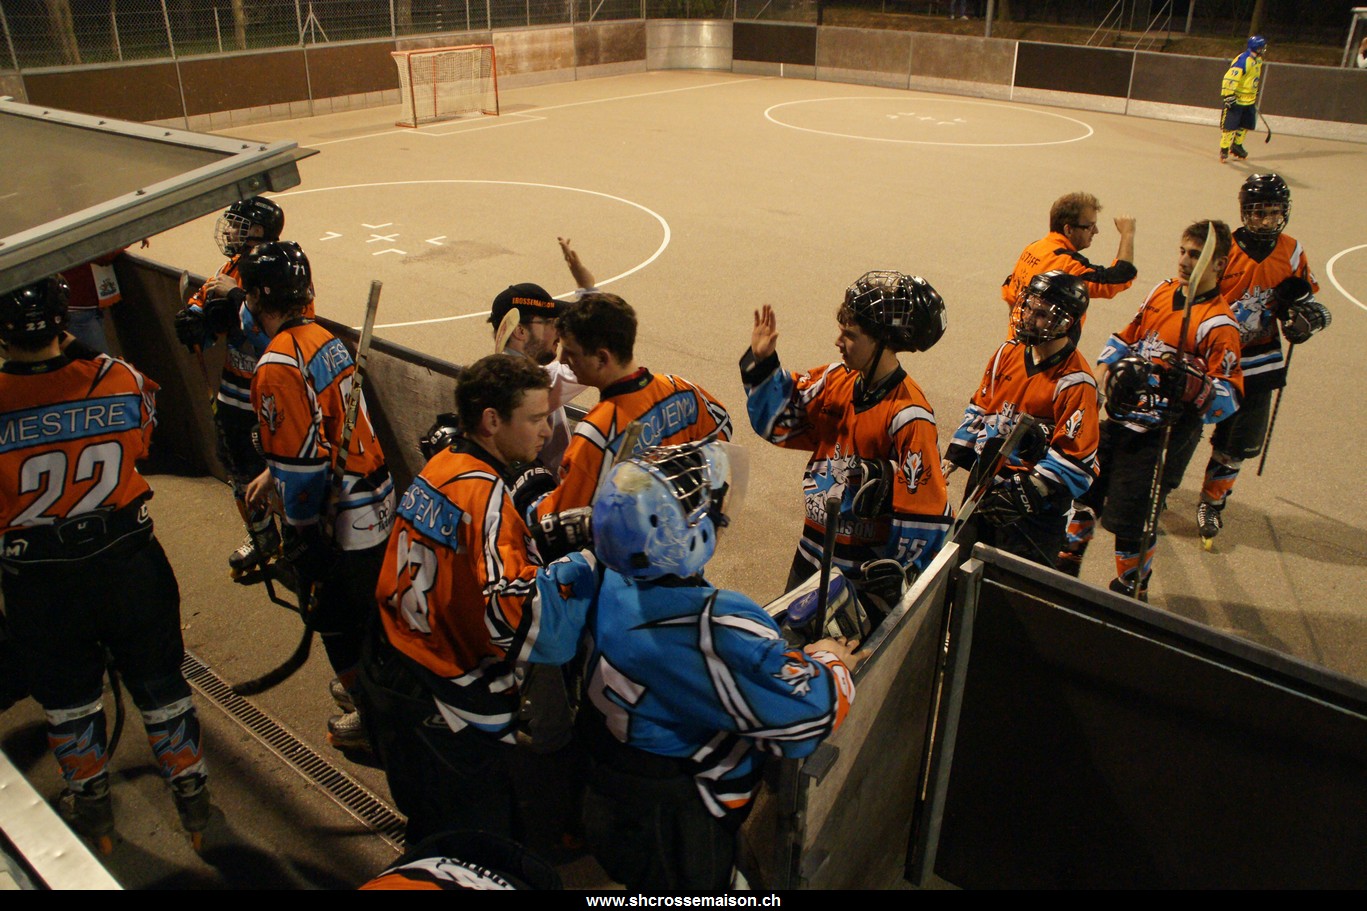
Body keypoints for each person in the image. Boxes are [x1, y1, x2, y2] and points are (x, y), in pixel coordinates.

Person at [573, 440, 862, 890]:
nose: (718, 515)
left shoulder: (608, 574)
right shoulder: (705, 627)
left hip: (609, 791)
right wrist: (830, 658)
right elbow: (810, 714)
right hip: (674, 827)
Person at [0, 277, 211, 852]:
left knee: (68, 698)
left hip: (41, 578)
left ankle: (94, 812)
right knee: (161, 682)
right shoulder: (118, 377)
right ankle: (192, 795)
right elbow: (142, 437)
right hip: (128, 561)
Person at [364, 354, 595, 844]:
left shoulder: (442, 465)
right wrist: (582, 565)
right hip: (448, 695)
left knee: (430, 822)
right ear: (492, 420)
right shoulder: (486, 493)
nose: (546, 431)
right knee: (474, 840)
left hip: (396, 668)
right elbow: (522, 619)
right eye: (535, 418)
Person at [241, 241, 395, 751]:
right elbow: (326, 429)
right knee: (371, 614)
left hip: (341, 518)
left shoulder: (276, 364)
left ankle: (374, 718)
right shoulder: (323, 339)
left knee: (338, 624)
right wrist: (273, 472)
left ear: (256, 297)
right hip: (376, 498)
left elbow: (304, 469)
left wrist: (303, 532)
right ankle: (378, 692)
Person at [742, 271, 952, 619]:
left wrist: (890, 582)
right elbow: (779, 418)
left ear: (883, 341)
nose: (838, 341)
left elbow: (926, 513)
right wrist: (762, 363)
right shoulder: (834, 380)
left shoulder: (910, 416)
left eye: (850, 335)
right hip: (811, 553)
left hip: (858, 579)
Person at [1056, 221, 1244, 599]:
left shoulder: (1219, 324)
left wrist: (1195, 387)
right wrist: (1101, 376)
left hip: (1163, 436)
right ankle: (1066, 562)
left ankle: (1131, 587)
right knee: (1083, 490)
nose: (1185, 261)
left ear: (1219, 264)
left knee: (1132, 518)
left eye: (1196, 255)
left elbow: (1229, 397)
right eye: (1183, 252)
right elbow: (1128, 336)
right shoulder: (1162, 290)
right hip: (1120, 417)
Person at [1194, 174, 1331, 542]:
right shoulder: (1222, 248)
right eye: (1258, 212)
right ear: (1245, 212)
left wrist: (1300, 320)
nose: (1267, 220)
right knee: (1183, 428)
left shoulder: (1293, 251)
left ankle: (1212, 501)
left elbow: (1298, 301)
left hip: (1259, 359)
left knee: (1239, 441)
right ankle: (1159, 489)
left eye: (1274, 212)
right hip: (1211, 356)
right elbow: (1195, 298)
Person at [515, 291, 732, 522]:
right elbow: (722, 431)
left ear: (602, 358)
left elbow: (558, 518)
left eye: (570, 352)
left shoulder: (596, 433)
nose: (562, 360)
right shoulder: (681, 389)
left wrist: (529, 487)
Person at [944, 271, 1100, 567]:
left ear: (1067, 322)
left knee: (1010, 587)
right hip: (985, 480)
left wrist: (1032, 489)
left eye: (1041, 314)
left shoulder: (1076, 383)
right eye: (1028, 307)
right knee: (958, 567)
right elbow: (980, 407)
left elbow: (1079, 459)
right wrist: (953, 457)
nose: (1028, 318)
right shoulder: (1007, 353)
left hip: (1033, 508)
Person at [173, 196, 291, 578]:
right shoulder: (230, 268)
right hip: (232, 394)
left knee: (286, 475)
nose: (231, 232)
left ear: (259, 232)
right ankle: (262, 536)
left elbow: (284, 338)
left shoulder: (283, 274)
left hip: (272, 397)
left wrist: (238, 303)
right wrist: (197, 324)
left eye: (240, 225)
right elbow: (203, 305)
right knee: (240, 474)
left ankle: (297, 544)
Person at [488, 237, 595, 474]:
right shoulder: (535, 383)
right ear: (520, 331)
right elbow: (595, 355)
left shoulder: (490, 375)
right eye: (549, 323)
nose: (558, 331)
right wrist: (588, 290)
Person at [1001, 193, 1137, 331]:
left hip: (1015, 339)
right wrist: (1128, 234)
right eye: (1090, 226)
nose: (1096, 231)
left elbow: (1009, 292)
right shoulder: (1067, 264)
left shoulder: (1034, 248)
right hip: (1044, 344)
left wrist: (1020, 331)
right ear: (1069, 230)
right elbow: (1118, 278)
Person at [1220, 35, 1267, 163]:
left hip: (1249, 100)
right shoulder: (1243, 60)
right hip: (1237, 99)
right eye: (1262, 47)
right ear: (1257, 47)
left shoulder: (1258, 61)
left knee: (1245, 125)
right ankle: (1224, 148)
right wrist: (1229, 95)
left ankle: (1237, 145)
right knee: (1230, 126)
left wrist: (1254, 91)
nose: (1264, 50)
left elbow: (1252, 79)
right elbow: (1230, 78)